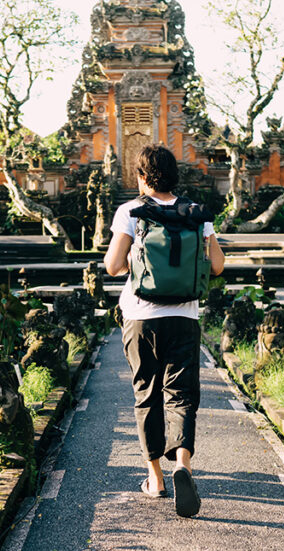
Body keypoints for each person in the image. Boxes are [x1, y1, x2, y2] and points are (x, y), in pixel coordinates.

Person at [103, 145, 225, 518]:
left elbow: (112, 266)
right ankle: (182, 466)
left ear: (141, 177)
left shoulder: (131, 211)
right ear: (176, 176)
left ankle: (155, 478)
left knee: (147, 395)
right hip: (184, 318)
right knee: (182, 395)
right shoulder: (196, 214)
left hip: (140, 317)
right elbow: (218, 265)